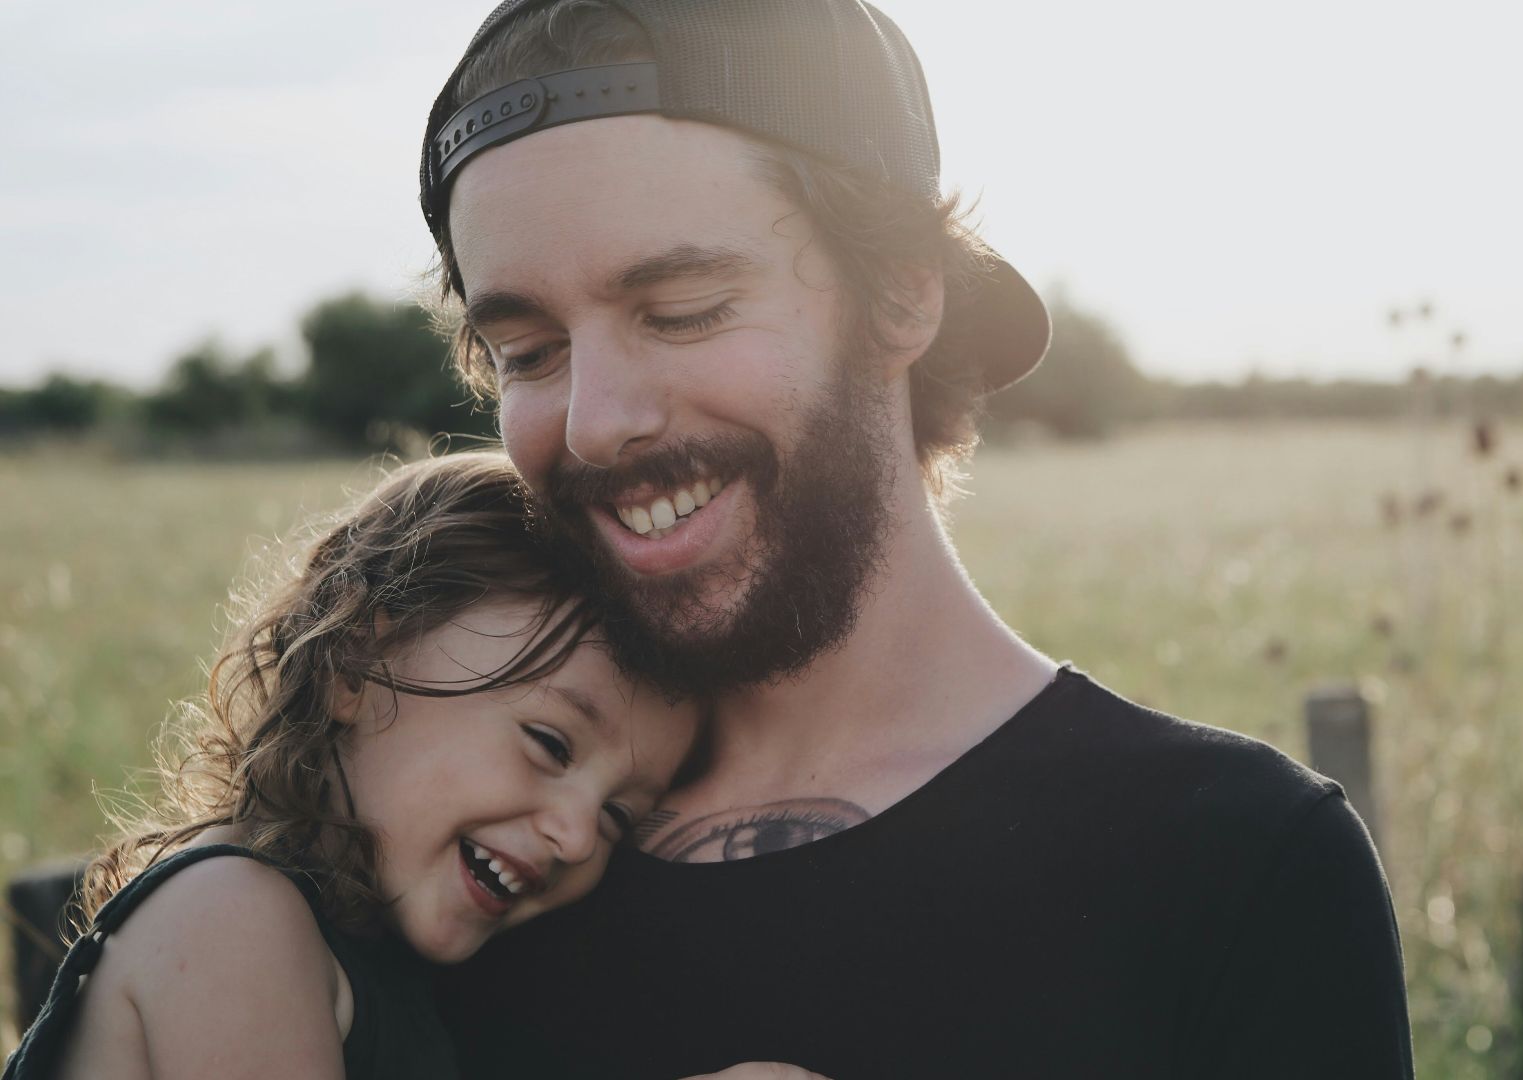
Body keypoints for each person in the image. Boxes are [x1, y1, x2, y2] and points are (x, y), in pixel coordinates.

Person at [423, 2, 1417, 1076]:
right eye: (526, 350)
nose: (595, 421)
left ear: (900, 300)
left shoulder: (1231, 865)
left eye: (684, 309)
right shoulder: (467, 846)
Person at [2, 453, 725, 1079]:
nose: (575, 836)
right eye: (550, 743)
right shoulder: (232, 918)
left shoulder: (378, 955)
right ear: (354, 662)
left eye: (616, 816)